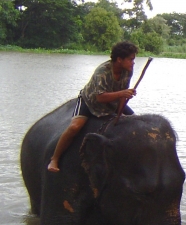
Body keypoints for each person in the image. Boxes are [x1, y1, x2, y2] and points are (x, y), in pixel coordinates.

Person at [47, 41, 139, 172]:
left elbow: (123, 95)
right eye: (131, 59)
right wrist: (122, 93)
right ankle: (54, 159)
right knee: (75, 127)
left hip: (112, 102)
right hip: (90, 101)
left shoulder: (127, 70)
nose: (133, 63)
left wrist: (120, 114)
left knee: (134, 122)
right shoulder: (103, 71)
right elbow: (100, 97)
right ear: (119, 59)